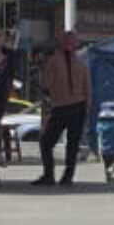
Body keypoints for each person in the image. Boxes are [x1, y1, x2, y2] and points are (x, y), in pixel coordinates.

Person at [34, 30, 91, 187]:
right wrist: (86, 108)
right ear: (75, 45)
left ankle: (49, 174)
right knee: (73, 144)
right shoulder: (81, 63)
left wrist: (42, 68)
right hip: (78, 107)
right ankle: (68, 176)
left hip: (61, 107)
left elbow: (45, 84)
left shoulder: (53, 61)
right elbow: (88, 89)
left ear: (60, 44)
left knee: (46, 142)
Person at [94, 100, 114, 184]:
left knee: (106, 164)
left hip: (103, 149)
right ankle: (110, 172)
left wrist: (98, 150)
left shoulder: (99, 126)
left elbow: (98, 137)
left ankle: (108, 177)